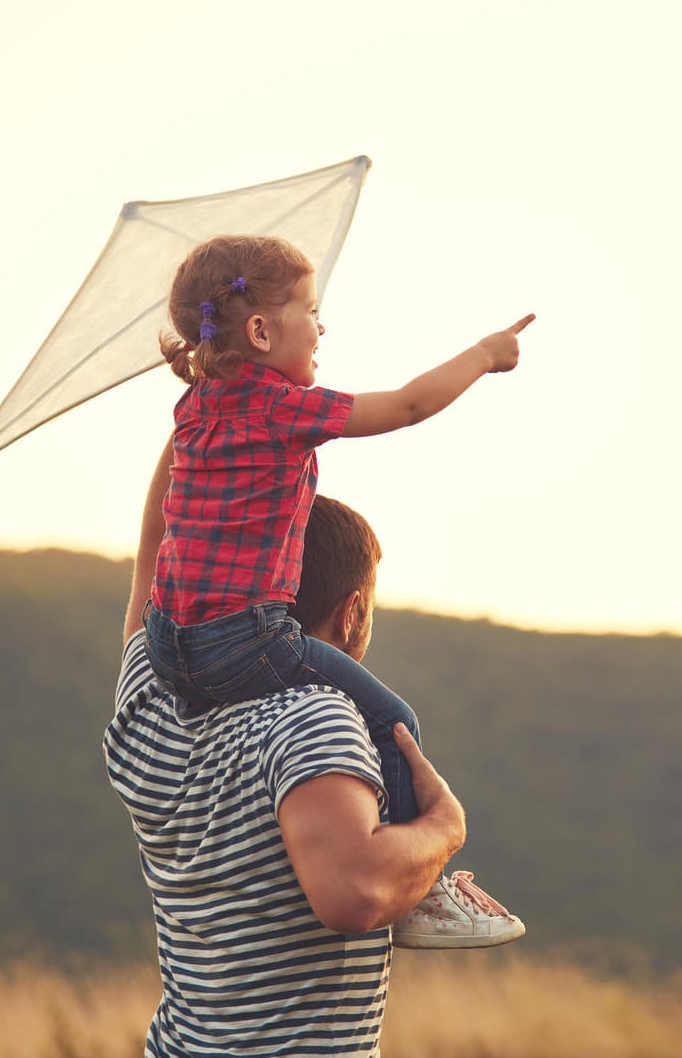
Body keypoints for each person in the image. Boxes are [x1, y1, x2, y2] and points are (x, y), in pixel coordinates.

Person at [140, 234, 532, 938]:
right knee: (396, 722)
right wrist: (484, 355)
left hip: (167, 642)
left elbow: (161, 523)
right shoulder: (282, 407)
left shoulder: (194, 409)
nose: (323, 327)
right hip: (245, 641)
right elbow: (408, 406)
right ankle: (418, 890)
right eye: (312, 310)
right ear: (260, 331)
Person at [106, 487, 522, 1056]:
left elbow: (155, 544)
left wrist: (205, 411)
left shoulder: (151, 703)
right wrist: (445, 828)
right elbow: (353, 894)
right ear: (350, 613)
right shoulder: (312, 714)